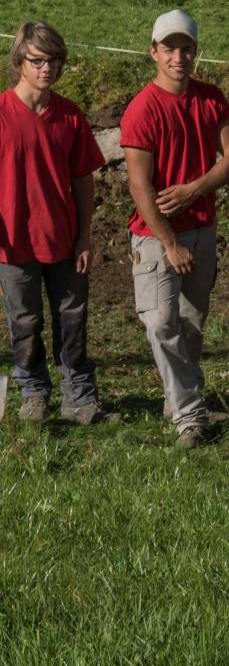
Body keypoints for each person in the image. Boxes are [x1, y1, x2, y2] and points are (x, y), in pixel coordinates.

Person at [120, 10, 229, 447]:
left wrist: (195, 188)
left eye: (186, 48)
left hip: (202, 227)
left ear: (195, 52)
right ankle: (191, 417)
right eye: (169, 48)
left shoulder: (211, 99)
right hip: (156, 236)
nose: (178, 56)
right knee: (160, 324)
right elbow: (139, 185)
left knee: (190, 323)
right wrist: (168, 242)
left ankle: (178, 397)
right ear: (153, 52)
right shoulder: (142, 110)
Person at [0, 23, 112, 424]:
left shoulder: (70, 116)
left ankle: (79, 398)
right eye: (39, 60)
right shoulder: (0, 112)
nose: (48, 68)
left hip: (63, 240)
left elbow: (84, 179)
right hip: (12, 244)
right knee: (24, 322)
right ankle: (33, 393)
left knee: (73, 320)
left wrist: (84, 235)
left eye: (55, 60)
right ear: (19, 61)